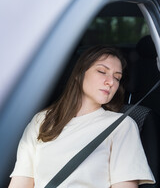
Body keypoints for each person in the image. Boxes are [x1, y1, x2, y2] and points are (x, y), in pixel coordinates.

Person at [9, 45, 155, 188]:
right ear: (79, 74)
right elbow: (21, 182)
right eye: (102, 71)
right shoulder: (41, 120)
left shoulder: (122, 125)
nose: (111, 82)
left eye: (117, 78)